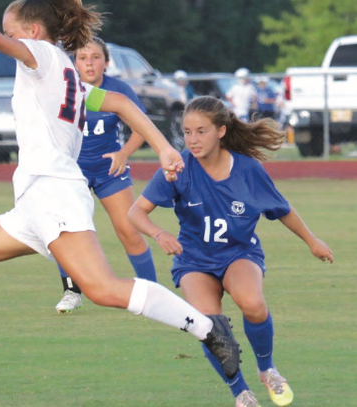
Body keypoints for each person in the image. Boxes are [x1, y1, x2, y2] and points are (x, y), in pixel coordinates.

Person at [0, 0, 241, 381]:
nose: (8, 40)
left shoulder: (41, 55)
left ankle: (208, 329)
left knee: (103, 289)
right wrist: (163, 147)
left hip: (53, 191)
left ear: (34, 33)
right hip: (33, 202)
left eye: (13, 33)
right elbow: (120, 101)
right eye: (9, 35)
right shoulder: (64, 72)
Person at [128, 95, 334, 407]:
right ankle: (241, 392)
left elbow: (282, 209)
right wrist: (159, 234)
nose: (192, 140)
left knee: (253, 304)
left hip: (239, 253)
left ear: (221, 131)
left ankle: (267, 369)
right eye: (186, 132)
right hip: (194, 260)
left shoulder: (248, 170)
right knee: (209, 329)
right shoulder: (176, 168)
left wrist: (312, 241)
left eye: (201, 131)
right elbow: (135, 213)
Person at [54, 36, 158, 313]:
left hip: (110, 170)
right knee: (65, 229)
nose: (89, 63)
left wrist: (123, 154)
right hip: (72, 171)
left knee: (129, 229)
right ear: (74, 62)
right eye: (83, 57)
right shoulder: (66, 89)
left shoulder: (118, 90)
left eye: (96, 57)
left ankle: (152, 292)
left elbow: (142, 127)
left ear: (106, 62)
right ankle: (72, 292)